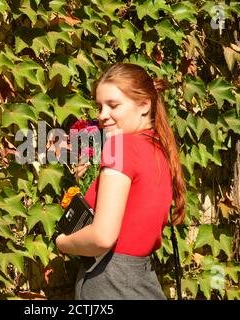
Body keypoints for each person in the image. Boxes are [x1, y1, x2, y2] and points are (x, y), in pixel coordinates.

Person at [55, 63, 186, 300]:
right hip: (141, 279)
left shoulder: (121, 146)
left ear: (145, 104)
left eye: (113, 105)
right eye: (99, 106)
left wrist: (63, 242)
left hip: (110, 283)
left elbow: (102, 237)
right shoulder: (159, 148)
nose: (102, 115)